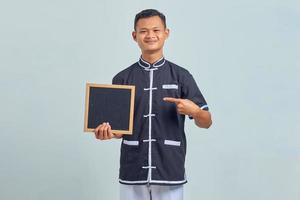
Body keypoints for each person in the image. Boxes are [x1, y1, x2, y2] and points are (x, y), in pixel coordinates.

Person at [94, 9, 212, 200]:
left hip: (169, 168)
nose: (150, 35)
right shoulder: (122, 78)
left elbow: (207, 121)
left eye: (156, 30)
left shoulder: (181, 76)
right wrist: (106, 133)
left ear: (166, 33)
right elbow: (119, 130)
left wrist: (196, 111)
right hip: (133, 170)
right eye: (143, 31)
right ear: (134, 36)